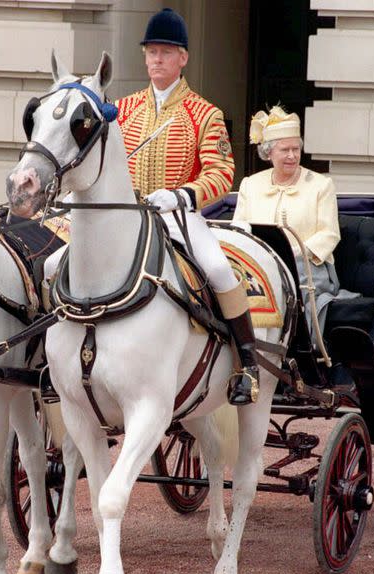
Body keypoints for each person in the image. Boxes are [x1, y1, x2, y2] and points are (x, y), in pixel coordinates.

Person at [110, 8, 258, 405]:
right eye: (151, 51)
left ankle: (247, 364)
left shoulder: (205, 114)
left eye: (165, 52)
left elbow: (222, 171)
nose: (156, 59)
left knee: (219, 270)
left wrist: (183, 196)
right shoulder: (121, 112)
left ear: (183, 58)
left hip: (178, 218)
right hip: (127, 220)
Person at [232, 107, 353, 344]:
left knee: (289, 294)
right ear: (268, 153)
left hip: (308, 269)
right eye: (284, 150)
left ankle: (298, 354)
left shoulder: (321, 185)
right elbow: (239, 229)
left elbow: (329, 234)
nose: (292, 156)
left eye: (296, 149)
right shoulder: (250, 184)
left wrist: (292, 255)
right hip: (258, 266)